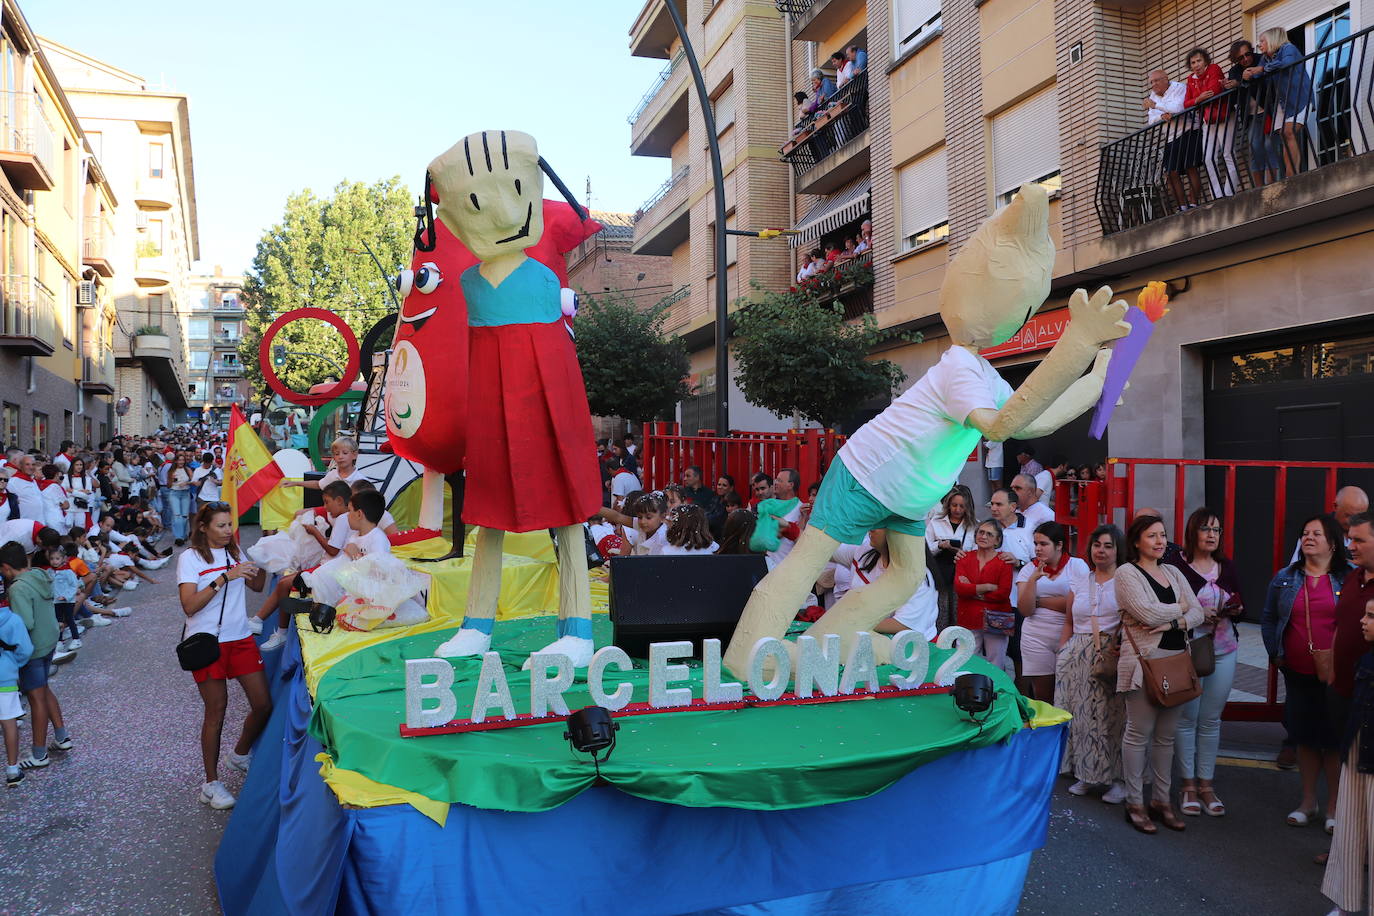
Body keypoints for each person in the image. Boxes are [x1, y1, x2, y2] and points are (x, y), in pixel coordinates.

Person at [1114, 515, 1205, 834]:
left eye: (1163, 535)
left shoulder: (1173, 571)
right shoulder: (1126, 573)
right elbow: (1145, 611)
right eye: (1152, 536)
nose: (1160, 541)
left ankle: (1162, 801)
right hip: (1143, 662)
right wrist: (1181, 608)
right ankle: (1135, 803)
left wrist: (1173, 622)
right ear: (1137, 541)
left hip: (1177, 659)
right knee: (1138, 735)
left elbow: (1199, 612)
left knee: (1166, 737)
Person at [177, 502, 269, 810]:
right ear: (203, 528)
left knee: (263, 704)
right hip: (207, 642)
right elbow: (189, 605)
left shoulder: (234, 550)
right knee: (216, 711)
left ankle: (239, 754)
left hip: (240, 637)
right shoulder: (190, 558)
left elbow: (257, 584)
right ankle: (211, 784)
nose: (228, 530)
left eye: (230, 524)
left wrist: (267, 556)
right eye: (221, 525)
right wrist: (223, 578)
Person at [1263, 513, 1350, 831]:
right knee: (1305, 739)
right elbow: (1270, 617)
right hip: (1297, 672)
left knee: (1333, 741)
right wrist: (1276, 653)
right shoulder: (1284, 578)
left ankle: (1333, 808)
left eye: (1316, 533)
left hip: (1337, 675)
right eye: (1304, 533)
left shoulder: (1349, 577)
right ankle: (1308, 802)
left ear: (1332, 542)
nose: (1308, 538)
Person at [1167, 507, 1245, 817]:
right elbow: (1167, 606)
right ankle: (1187, 785)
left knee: (1211, 719)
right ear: (1193, 533)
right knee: (1187, 719)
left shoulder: (1226, 566)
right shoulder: (1177, 566)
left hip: (1224, 648)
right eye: (1205, 529)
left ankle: (1207, 785)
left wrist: (1234, 608)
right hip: (1186, 651)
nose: (1212, 535)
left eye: (1216, 530)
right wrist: (1195, 615)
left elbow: (1241, 598)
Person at [1057, 524, 1128, 803]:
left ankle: (1117, 779)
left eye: (1108, 545)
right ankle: (1086, 773)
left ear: (1118, 549)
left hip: (1109, 654)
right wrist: (1063, 652)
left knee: (1112, 717)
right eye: (1097, 544)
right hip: (1076, 652)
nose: (1101, 550)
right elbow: (1069, 620)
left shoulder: (1124, 582)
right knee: (1082, 717)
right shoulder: (1080, 580)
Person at [1321, 596, 1374, 914]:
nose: (1362, 621)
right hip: (1357, 750)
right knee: (1349, 831)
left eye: (1371, 616)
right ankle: (1344, 903)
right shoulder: (1367, 660)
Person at [0, 541, 70, 771]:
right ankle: (61, 736)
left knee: (36, 697)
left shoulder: (18, 588)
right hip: (48, 641)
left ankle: (39, 754)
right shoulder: (39, 575)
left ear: (7, 567)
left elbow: (24, 623)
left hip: (32, 649)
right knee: (44, 688)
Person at [1015, 521, 1086, 703]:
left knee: (1070, 693)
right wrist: (1032, 581)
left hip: (1070, 635)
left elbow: (1078, 605)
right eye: (1036, 544)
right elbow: (1025, 609)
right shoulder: (1028, 570)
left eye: (1044, 544)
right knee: (1043, 696)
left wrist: (1040, 601)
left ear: (1059, 545)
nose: (1038, 549)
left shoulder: (1077, 566)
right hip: (1036, 636)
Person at [1244, 27, 1312, 181]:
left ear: (1272, 39)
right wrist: (1247, 76)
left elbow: (1286, 63)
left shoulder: (1288, 48)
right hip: (1283, 102)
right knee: (1283, 135)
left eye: (1262, 41)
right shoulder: (1266, 58)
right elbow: (1259, 74)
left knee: (1289, 132)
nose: (1259, 44)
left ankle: (1291, 175)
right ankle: (1290, 173)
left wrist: (1261, 69)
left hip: (1299, 98)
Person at [954, 519, 1015, 668]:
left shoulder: (1004, 561)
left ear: (997, 540)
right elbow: (960, 589)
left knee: (996, 663)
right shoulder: (964, 558)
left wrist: (973, 590)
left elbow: (1003, 593)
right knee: (962, 662)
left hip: (996, 619)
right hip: (968, 617)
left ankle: (996, 691)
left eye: (989, 534)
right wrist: (987, 586)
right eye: (981, 532)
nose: (983, 536)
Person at [1184, 48, 1240, 200]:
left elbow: (1214, 90)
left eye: (1199, 61)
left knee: (1228, 153)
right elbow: (1186, 103)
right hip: (1207, 120)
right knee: (1208, 158)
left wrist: (1199, 98)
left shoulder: (1214, 68)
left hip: (1224, 115)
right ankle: (1217, 194)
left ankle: (1229, 191)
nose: (1196, 65)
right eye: (1193, 62)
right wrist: (1198, 99)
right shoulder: (1190, 79)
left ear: (1206, 61)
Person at [1144, 69, 1203, 211]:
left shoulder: (1179, 88)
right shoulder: (1153, 96)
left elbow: (1179, 107)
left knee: (1191, 167)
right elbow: (1151, 120)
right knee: (1171, 173)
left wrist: (1156, 106)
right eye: (1151, 82)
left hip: (1189, 131)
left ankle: (1193, 202)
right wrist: (1161, 116)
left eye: (1157, 80)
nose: (1154, 84)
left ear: (1166, 79)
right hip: (1171, 138)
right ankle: (1182, 206)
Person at [1225, 40, 1279, 186]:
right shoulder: (1234, 71)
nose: (1246, 59)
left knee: (1269, 146)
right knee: (1255, 148)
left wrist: (1243, 82)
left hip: (1268, 110)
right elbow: (1235, 94)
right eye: (1240, 58)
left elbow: (1268, 81)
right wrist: (1231, 86)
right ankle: (1259, 188)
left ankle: (1272, 183)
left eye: (1247, 54)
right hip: (1250, 116)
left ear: (1252, 51)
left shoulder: (1261, 60)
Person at [927, 486, 976, 629]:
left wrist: (963, 554)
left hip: (962, 574)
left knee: (958, 614)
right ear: (948, 504)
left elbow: (977, 552)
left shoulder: (974, 525)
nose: (958, 510)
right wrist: (941, 545)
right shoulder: (936, 521)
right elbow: (926, 548)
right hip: (939, 572)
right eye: (954, 505)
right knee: (940, 612)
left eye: (962, 506)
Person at [0, 586, 32, 787]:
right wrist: (14, 665)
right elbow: (25, 650)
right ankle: (12, 769)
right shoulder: (13, 620)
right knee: (8, 722)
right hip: (5, 678)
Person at [986, 487, 1033, 568]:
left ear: (1013, 507)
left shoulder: (1031, 529)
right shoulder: (986, 528)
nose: (993, 508)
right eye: (992, 504)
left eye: (999, 504)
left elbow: (1039, 565)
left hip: (1019, 579)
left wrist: (1018, 563)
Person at [680, 466, 725, 537]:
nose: (685, 479)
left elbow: (712, 514)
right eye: (684, 476)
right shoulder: (683, 493)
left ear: (697, 477)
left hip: (705, 532)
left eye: (688, 476)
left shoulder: (709, 494)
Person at [166, 453, 194, 545]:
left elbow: (193, 481)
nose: (181, 462)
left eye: (183, 460)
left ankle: (183, 534)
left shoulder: (187, 469)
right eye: (179, 460)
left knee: (185, 516)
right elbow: (168, 485)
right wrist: (171, 478)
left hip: (185, 493)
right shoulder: (171, 471)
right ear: (176, 461)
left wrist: (187, 483)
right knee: (177, 516)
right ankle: (179, 537)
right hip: (174, 493)